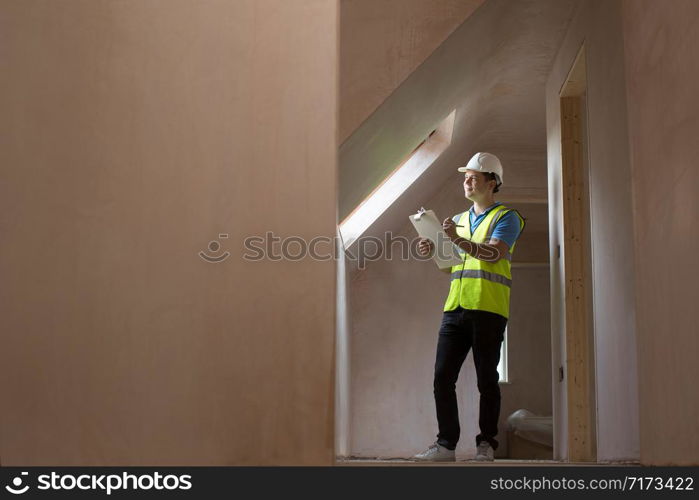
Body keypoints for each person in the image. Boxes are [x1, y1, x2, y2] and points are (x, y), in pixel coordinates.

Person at [413, 152, 525, 462]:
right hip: (455, 307)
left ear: (492, 183)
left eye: (474, 176)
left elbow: (494, 254)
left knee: (486, 379)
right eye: (466, 176)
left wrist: (457, 241)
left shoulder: (507, 217)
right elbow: (450, 267)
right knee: (441, 377)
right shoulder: (459, 220)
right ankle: (446, 445)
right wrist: (433, 248)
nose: (467, 180)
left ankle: (486, 444)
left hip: (488, 308)